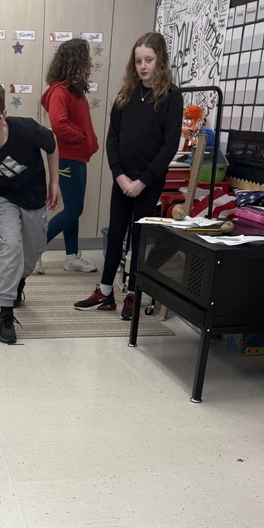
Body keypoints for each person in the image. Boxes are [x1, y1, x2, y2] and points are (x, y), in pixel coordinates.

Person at [74, 31, 182, 319]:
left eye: (148, 60)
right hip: (122, 180)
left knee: (139, 238)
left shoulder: (172, 97)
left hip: (148, 181)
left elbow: (169, 146)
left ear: (160, 61)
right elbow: (112, 141)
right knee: (115, 234)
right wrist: (120, 177)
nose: (143, 66)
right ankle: (106, 292)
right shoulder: (126, 95)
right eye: (138, 61)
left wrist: (142, 181)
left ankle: (134, 293)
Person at [0, 79, 59, 345]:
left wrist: (54, 182)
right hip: (4, 197)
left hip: (34, 198)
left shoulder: (26, 129)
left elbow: (52, 144)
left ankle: (19, 281)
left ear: (3, 115)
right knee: (11, 246)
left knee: (32, 253)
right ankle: (5, 314)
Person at [39, 37, 99, 274]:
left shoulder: (74, 92)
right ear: (76, 61)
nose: (90, 63)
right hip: (67, 158)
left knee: (74, 208)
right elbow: (58, 125)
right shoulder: (59, 92)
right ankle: (33, 249)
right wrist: (83, 139)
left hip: (78, 158)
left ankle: (72, 256)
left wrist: (87, 143)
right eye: (86, 58)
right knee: (74, 209)